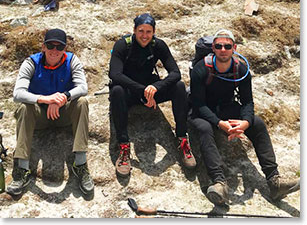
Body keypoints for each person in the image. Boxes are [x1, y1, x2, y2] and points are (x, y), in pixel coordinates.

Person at [189, 28, 300, 206]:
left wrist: (245, 122)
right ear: (214, 49)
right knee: (204, 128)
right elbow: (198, 104)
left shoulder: (241, 69)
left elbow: (247, 101)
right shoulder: (201, 69)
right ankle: (219, 183)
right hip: (203, 111)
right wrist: (220, 124)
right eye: (218, 46)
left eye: (227, 46)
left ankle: (274, 181)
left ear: (234, 47)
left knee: (258, 123)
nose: (223, 49)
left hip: (227, 107)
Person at [7, 28, 94, 196]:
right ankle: (22, 170)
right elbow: (17, 94)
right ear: (43, 47)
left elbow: (83, 88)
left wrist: (64, 97)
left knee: (82, 102)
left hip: (63, 114)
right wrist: (45, 99)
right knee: (24, 107)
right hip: (39, 116)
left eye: (59, 47)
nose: (54, 50)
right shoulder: (31, 63)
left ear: (65, 49)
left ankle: (81, 164)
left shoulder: (72, 60)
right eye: (50, 45)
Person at [109, 13, 196, 177]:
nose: (144, 35)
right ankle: (124, 146)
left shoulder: (158, 45)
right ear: (134, 30)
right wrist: (143, 91)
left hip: (150, 89)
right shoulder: (123, 45)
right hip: (129, 91)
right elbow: (115, 75)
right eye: (141, 31)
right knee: (116, 91)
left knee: (178, 87)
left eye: (148, 32)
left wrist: (156, 87)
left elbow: (175, 73)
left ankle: (182, 138)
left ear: (154, 32)